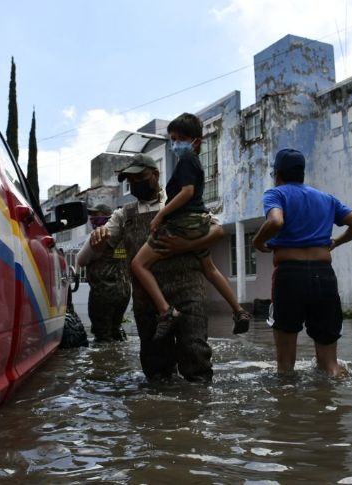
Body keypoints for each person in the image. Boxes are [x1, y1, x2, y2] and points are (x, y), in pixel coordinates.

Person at [89, 152, 224, 383]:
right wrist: (98, 239)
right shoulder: (123, 215)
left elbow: (218, 230)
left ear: (155, 175)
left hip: (188, 293)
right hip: (147, 302)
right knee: (155, 369)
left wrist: (186, 244)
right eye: (129, 181)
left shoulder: (179, 204)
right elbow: (99, 248)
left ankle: (198, 412)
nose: (133, 184)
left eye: (138, 177)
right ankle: (160, 416)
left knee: (196, 360)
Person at [130, 113, 251, 341]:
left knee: (138, 264)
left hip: (181, 224)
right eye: (173, 138)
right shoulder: (195, 162)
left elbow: (187, 193)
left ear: (196, 141)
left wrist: (161, 215)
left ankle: (166, 311)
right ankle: (239, 310)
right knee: (210, 268)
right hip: (198, 223)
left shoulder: (186, 161)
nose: (175, 143)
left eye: (181, 138)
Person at [253, 148, 352, 377]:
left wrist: (257, 243)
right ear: (302, 174)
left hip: (290, 277)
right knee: (330, 366)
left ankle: (289, 409)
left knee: (285, 369)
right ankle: (330, 405)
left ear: (277, 174)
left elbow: (276, 221)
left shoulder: (275, 194)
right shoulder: (326, 198)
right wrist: (336, 242)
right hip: (324, 277)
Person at [76, 204, 131, 342]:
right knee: (116, 329)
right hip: (123, 292)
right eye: (91, 215)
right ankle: (118, 358)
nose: (92, 218)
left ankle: (104, 362)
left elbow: (81, 260)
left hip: (103, 293)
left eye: (96, 214)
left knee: (102, 336)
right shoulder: (124, 237)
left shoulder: (98, 236)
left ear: (107, 216)